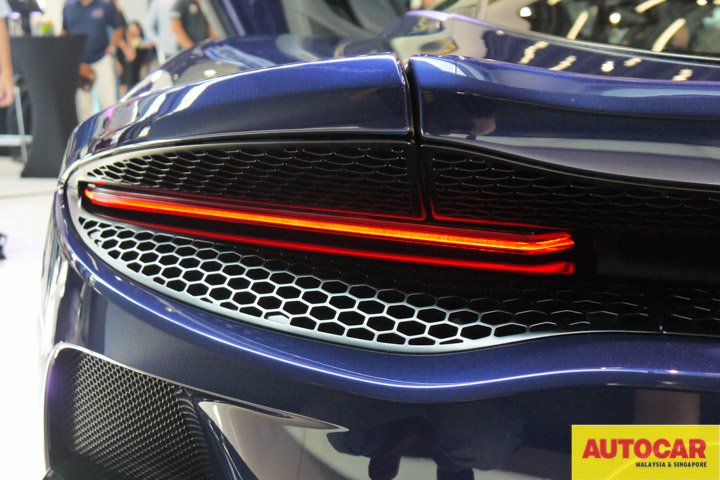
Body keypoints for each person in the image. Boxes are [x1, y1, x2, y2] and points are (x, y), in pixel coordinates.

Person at [62, 0, 123, 122]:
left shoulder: (104, 5)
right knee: (83, 108)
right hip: (80, 64)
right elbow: (65, 32)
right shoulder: (68, 7)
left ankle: (111, 132)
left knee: (109, 103)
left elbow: (119, 28)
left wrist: (112, 48)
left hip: (101, 59)